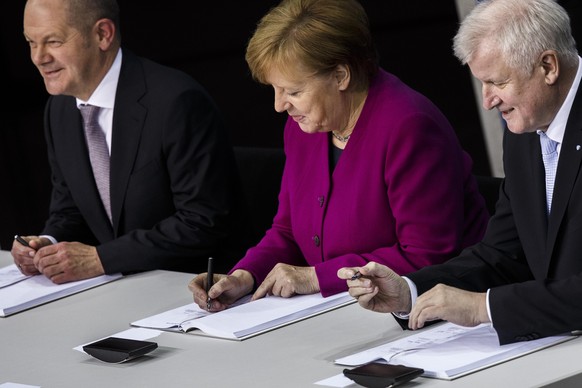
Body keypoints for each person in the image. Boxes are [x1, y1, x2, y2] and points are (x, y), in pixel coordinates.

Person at [188, 0, 489, 311]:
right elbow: (287, 230)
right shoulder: (304, 126)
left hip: (427, 311)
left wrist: (316, 277)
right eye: (275, 90)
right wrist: (245, 275)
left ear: (341, 75)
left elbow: (426, 254)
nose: (279, 105)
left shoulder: (409, 126)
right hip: (339, 311)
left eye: (293, 91)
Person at [338, 0, 582, 345]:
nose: (487, 101)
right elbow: (503, 254)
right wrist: (410, 292)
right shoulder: (525, 132)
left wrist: (485, 308)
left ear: (548, 66)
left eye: (496, 81)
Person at [11, 0, 247, 284]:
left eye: (53, 41)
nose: (38, 57)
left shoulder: (175, 101)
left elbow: (201, 221)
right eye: (31, 42)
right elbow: (70, 210)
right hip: (116, 290)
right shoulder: (59, 109)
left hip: (192, 286)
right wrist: (46, 244)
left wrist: (101, 259)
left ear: (102, 35)